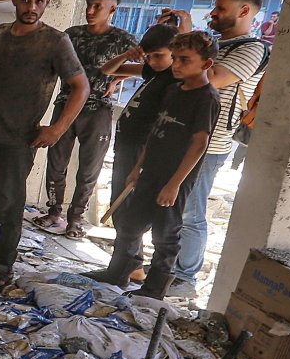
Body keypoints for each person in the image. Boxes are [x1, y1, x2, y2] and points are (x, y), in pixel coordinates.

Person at [0, 0, 89, 289]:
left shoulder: (56, 42)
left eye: (39, 1)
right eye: (25, 0)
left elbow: (81, 87)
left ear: (47, 2)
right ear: (14, 0)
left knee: (11, 206)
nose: (32, 7)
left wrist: (57, 129)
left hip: (19, 140)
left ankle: (2, 267)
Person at [157, 0, 272, 299]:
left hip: (209, 142)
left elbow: (210, 79)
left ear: (244, 11)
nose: (214, 12)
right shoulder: (217, 44)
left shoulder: (252, 48)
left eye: (221, 8)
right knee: (172, 207)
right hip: (181, 134)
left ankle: (185, 279)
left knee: (191, 211)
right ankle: (165, 271)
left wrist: (188, 39)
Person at [88, 32, 220, 298]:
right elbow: (155, 131)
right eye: (176, 59)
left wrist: (174, 184)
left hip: (173, 180)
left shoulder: (206, 98)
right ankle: (118, 272)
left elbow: (198, 144)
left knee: (165, 236)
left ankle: (154, 289)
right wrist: (138, 167)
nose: (177, 65)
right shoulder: (173, 90)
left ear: (206, 64)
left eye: (185, 60)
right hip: (149, 172)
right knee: (130, 224)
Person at [37, 0, 138, 239]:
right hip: (66, 104)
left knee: (89, 168)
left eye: (98, 7)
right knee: (56, 162)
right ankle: (54, 212)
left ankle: (76, 218)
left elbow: (150, 65)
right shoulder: (73, 34)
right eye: (89, 5)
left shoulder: (123, 39)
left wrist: (117, 79)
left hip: (97, 109)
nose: (91, 11)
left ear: (112, 10)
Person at [100, 24, 181, 262]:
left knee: (129, 210)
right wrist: (127, 54)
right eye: (150, 56)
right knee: (120, 203)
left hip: (140, 149)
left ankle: (128, 264)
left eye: (160, 56)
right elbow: (107, 70)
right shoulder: (153, 71)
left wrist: (141, 164)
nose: (154, 61)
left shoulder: (173, 80)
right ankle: (126, 263)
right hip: (126, 146)